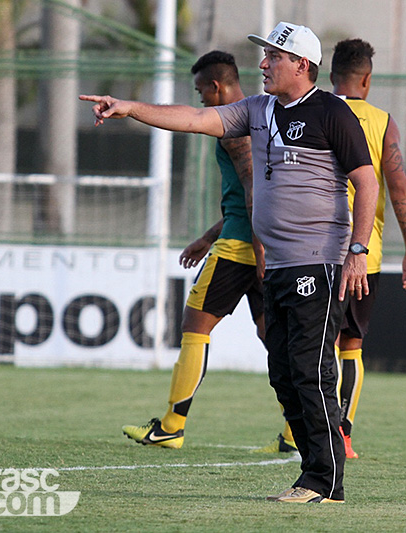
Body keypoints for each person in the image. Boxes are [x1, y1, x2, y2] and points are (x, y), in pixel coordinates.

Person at [80, 21, 378, 504]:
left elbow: (368, 183)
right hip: (278, 267)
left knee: (310, 372)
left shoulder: (332, 113)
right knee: (283, 374)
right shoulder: (257, 110)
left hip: (318, 266)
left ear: (302, 64)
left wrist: (358, 253)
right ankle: (315, 474)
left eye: (273, 57)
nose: (262, 64)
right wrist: (131, 108)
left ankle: (324, 482)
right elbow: (195, 119)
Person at [261, 38, 406, 460]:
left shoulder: (317, 110)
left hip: (309, 250)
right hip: (362, 252)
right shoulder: (381, 121)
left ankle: (303, 434)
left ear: (329, 76)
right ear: (367, 79)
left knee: (310, 348)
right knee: (349, 346)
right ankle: (340, 431)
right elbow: (398, 185)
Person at [119, 50, 264, 450]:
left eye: (201, 90)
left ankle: (171, 425)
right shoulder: (259, 114)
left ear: (216, 86)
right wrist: (208, 236)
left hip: (241, 246)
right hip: (257, 240)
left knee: (195, 326)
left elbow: (254, 190)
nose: (200, 98)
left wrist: (256, 248)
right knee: (276, 338)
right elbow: (248, 195)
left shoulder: (234, 124)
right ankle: (293, 433)